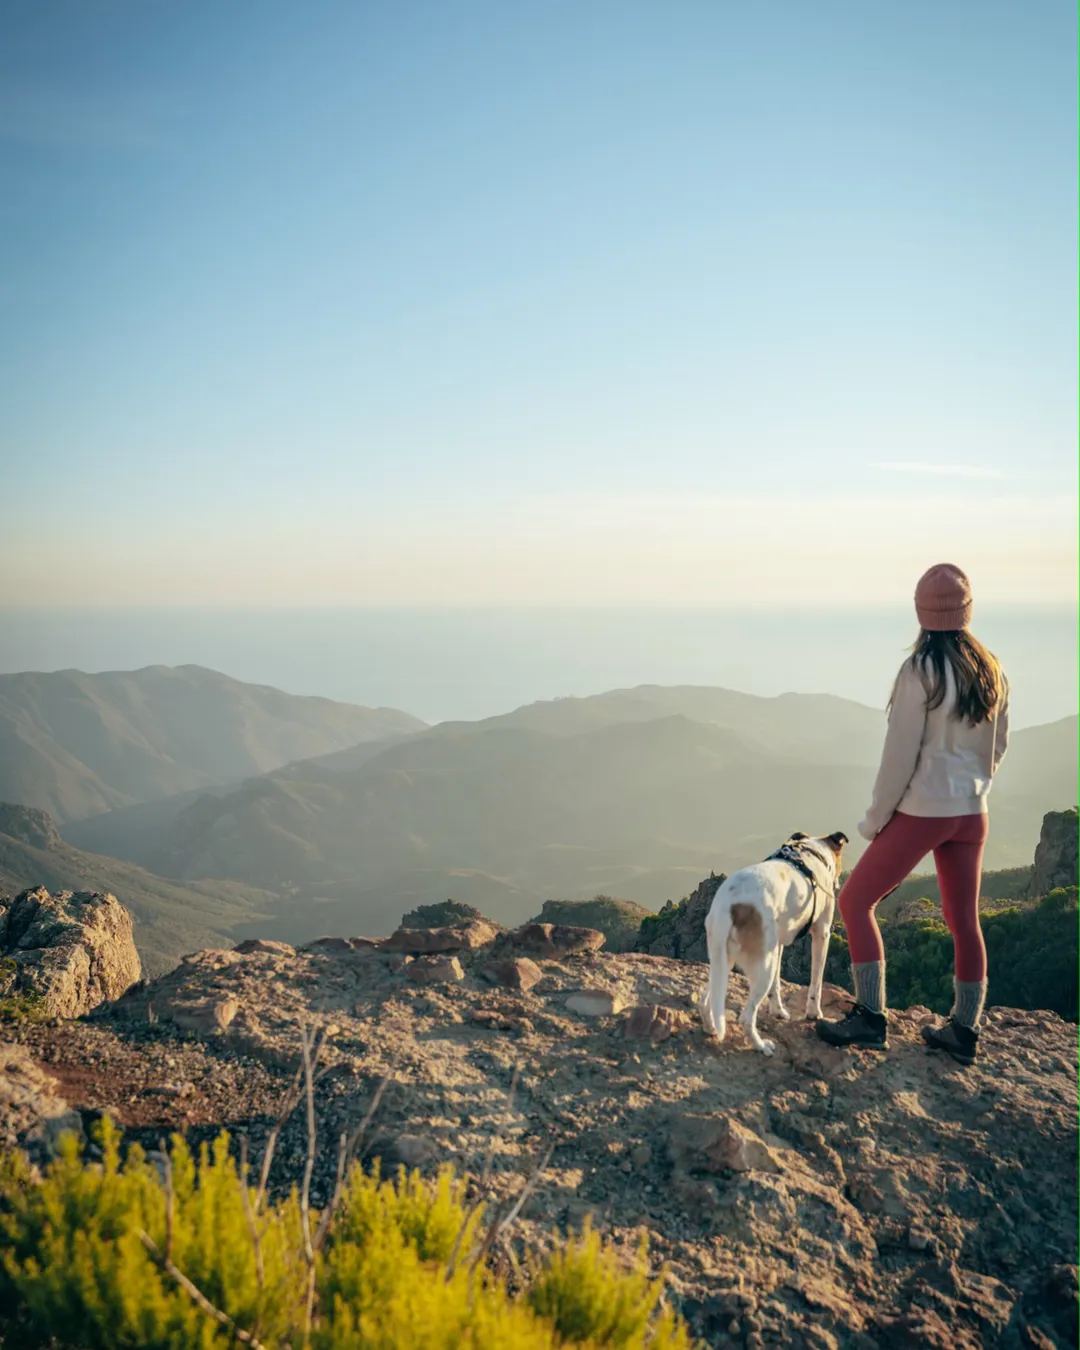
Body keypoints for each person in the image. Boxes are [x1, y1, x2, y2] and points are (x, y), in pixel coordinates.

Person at [815, 563, 1009, 1065]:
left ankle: (871, 1019)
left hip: (926, 808)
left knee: (855, 903)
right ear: (966, 611)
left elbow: (898, 758)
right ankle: (964, 1030)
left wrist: (874, 821)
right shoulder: (991, 668)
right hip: (973, 810)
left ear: (922, 614)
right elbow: (999, 744)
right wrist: (976, 785)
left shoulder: (919, 671)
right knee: (964, 920)